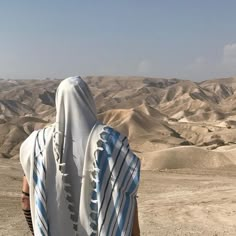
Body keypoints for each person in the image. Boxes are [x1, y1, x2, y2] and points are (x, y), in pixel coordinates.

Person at [20, 76, 140, 236]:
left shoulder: (36, 144)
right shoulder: (113, 143)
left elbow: (26, 200)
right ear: (89, 100)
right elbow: (128, 198)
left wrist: (36, 230)